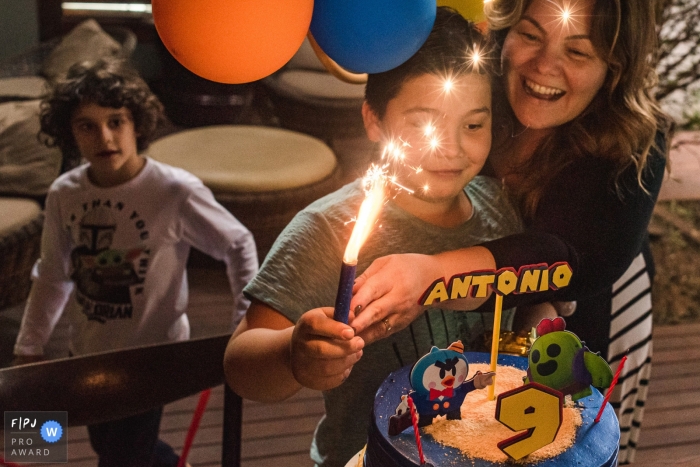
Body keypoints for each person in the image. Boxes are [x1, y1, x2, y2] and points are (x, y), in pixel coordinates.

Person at [350, 0, 670, 463]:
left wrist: (432, 277)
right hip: (470, 320)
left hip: (599, 311)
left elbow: (567, 260)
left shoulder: (636, 138)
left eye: (578, 52)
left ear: (614, 68)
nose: (544, 65)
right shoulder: (477, 89)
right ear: (503, 31)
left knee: (578, 447)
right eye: (531, 34)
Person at [224, 9, 524, 467]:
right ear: (373, 120)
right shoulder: (328, 229)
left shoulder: (498, 206)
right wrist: (292, 355)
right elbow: (241, 365)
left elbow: (522, 304)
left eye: (473, 125)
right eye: (423, 123)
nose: (451, 148)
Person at [12, 58, 259, 467]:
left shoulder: (174, 190)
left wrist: (243, 321)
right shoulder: (63, 194)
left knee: (122, 455)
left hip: (154, 356)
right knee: (109, 444)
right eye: (86, 125)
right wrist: (30, 345)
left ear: (137, 124)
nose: (104, 136)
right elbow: (53, 274)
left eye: (116, 121)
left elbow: (238, 243)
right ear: (69, 133)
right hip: (87, 352)